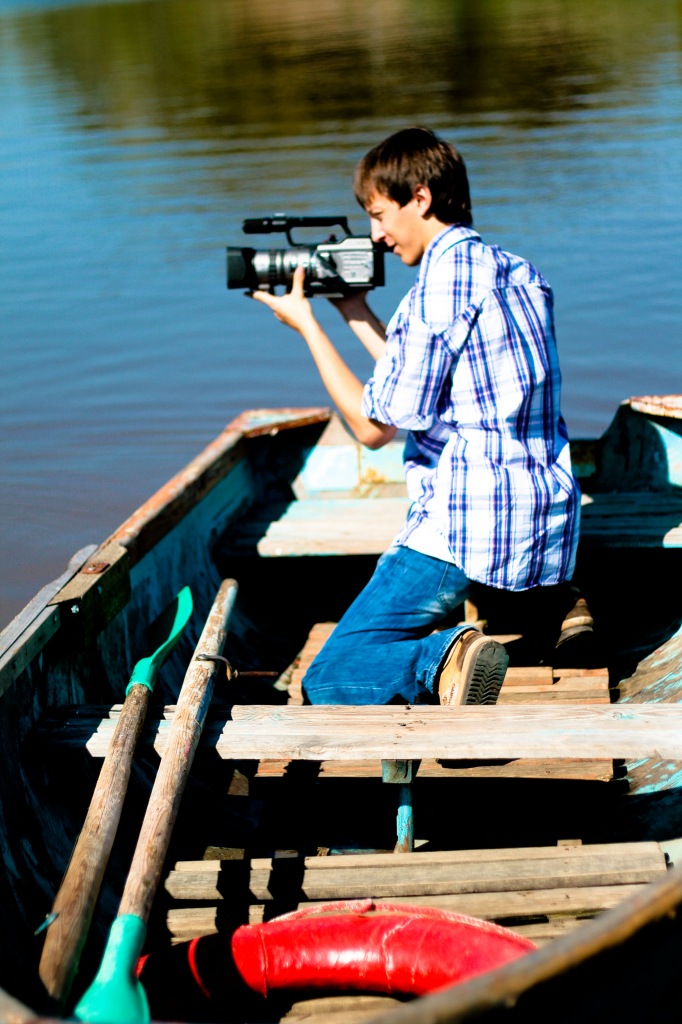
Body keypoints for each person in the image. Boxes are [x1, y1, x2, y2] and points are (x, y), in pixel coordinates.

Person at [250, 126, 581, 706]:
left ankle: (444, 656)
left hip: (465, 524)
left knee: (329, 675)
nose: (377, 236)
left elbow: (373, 429)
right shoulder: (520, 273)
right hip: (542, 513)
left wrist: (307, 326)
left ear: (420, 198)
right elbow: (423, 389)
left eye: (380, 215)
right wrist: (354, 311)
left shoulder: (433, 291)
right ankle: (555, 602)